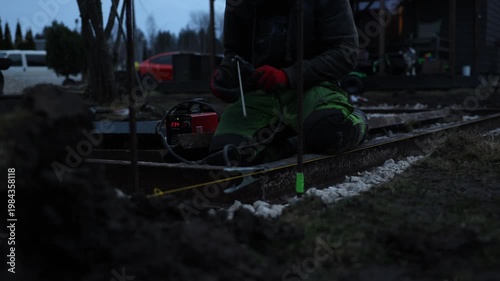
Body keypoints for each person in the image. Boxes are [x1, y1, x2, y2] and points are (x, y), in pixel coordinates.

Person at [208, 0, 368, 166]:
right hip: (260, 93)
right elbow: (234, 53)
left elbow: (345, 52)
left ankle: (358, 121)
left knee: (331, 130)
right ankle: (288, 145)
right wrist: (226, 74)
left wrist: (288, 76)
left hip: (312, 86)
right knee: (227, 153)